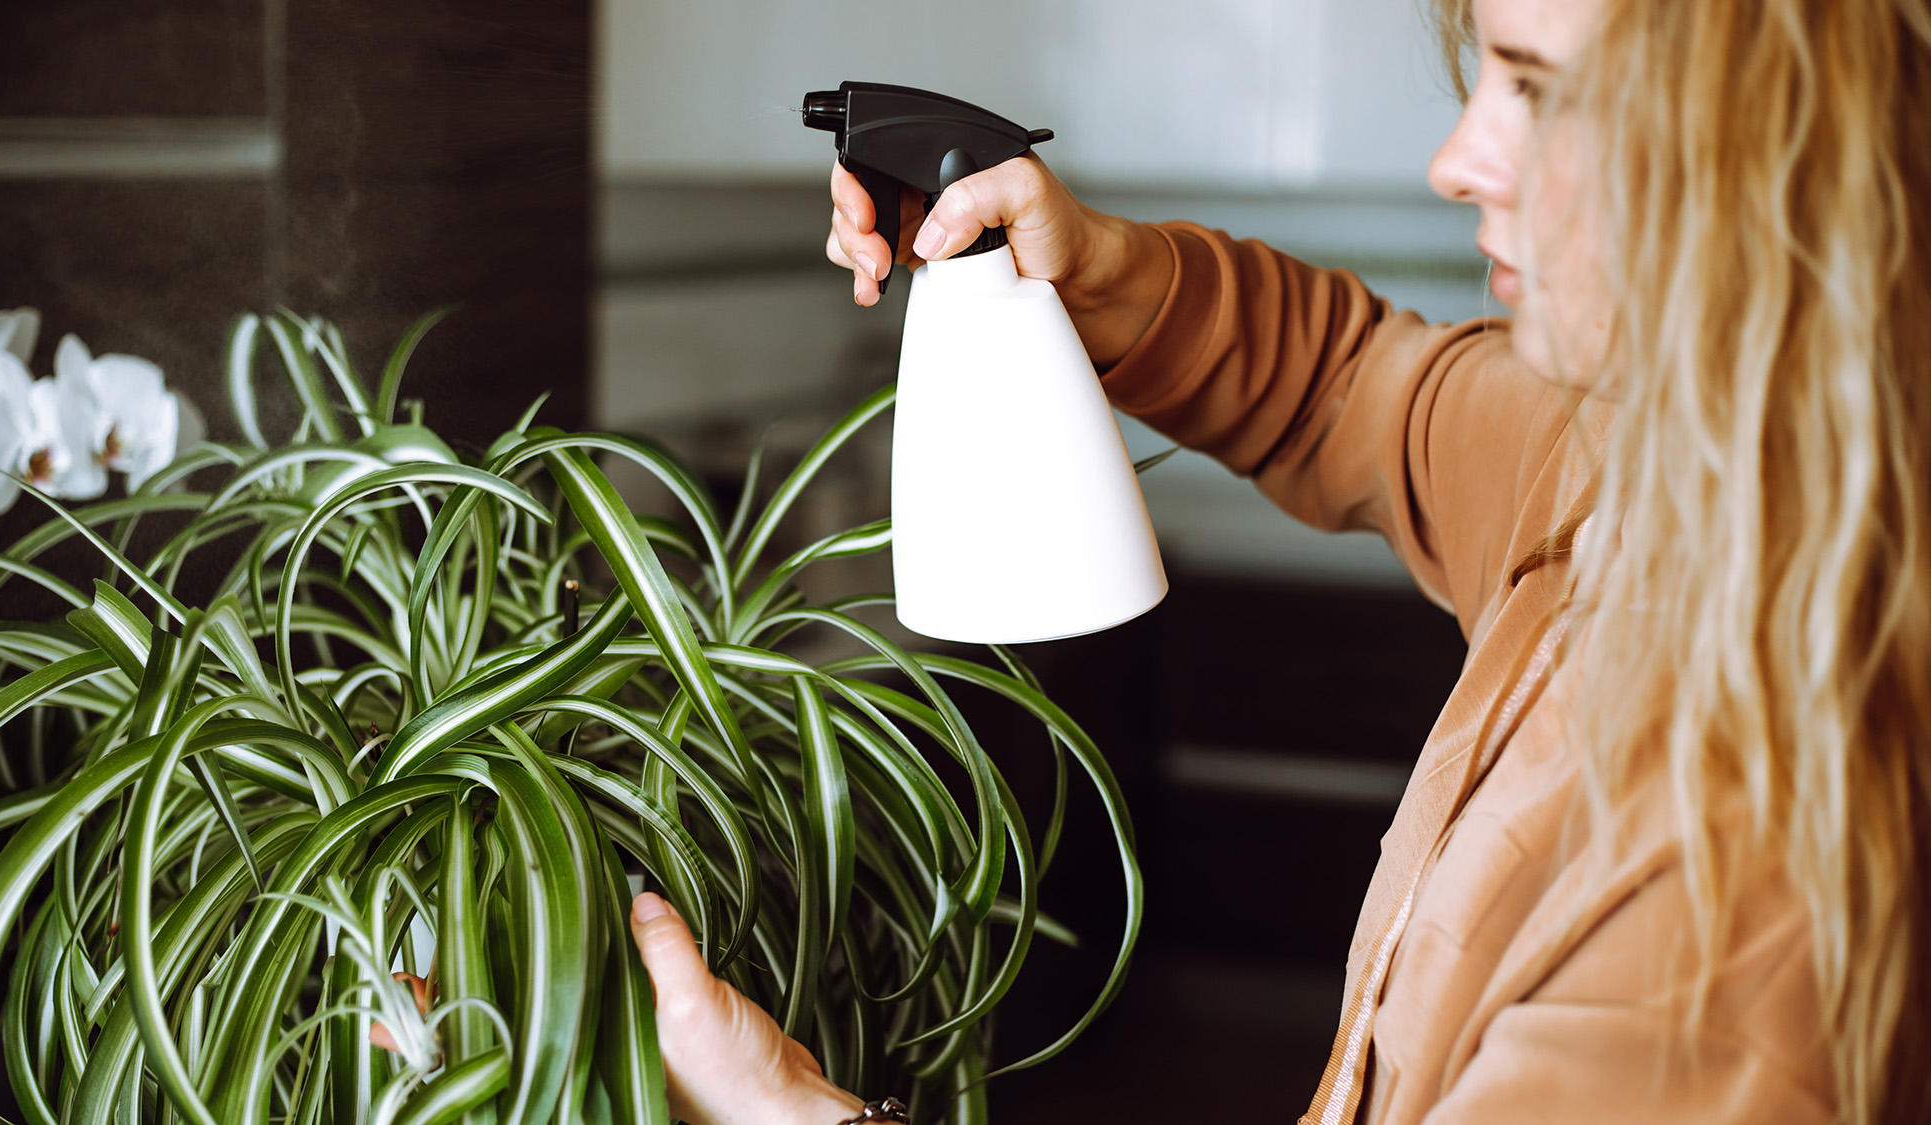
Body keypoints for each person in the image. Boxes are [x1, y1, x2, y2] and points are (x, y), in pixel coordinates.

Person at [620, 0, 1931, 1121]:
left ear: (1770, 153)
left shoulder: (1733, 896)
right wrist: (1098, 268)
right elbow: (1348, 383)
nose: (1458, 159)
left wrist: (794, 1107)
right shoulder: (1625, 462)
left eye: (1543, 90)